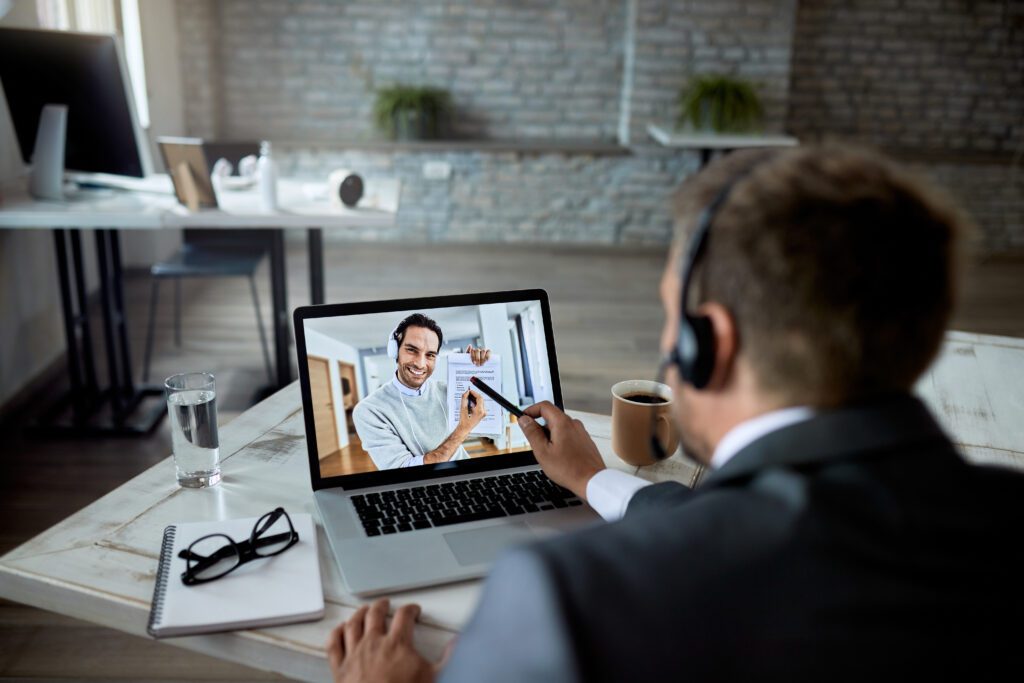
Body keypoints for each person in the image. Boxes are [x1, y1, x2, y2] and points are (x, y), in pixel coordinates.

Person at [327, 146, 1024, 681]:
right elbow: (750, 523)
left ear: (704, 343)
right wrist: (593, 479)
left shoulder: (563, 596)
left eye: (669, 314)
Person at [352, 313, 491, 470]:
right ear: (395, 351)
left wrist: (475, 371)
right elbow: (404, 471)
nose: (420, 363)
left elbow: (486, 422)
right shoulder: (369, 410)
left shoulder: (447, 390)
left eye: (430, 355)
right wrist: (462, 430)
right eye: (412, 350)